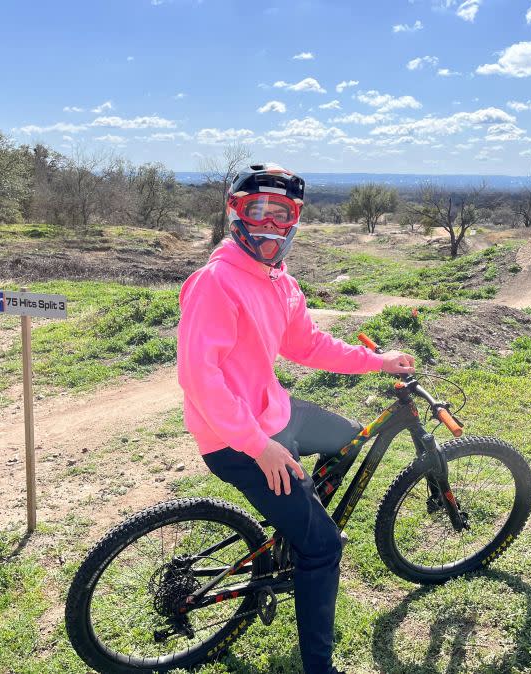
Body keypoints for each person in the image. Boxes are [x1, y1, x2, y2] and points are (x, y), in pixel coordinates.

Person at [176, 163, 415, 674]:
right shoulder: (216, 283)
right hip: (235, 439)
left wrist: (378, 359)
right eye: (256, 209)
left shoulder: (279, 281)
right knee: (325, 546)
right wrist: (259, 446)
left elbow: (307, 344)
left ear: (294, 220)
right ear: (235, 213)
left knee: (349, 443)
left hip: (272, 415)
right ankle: (318, 663)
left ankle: (292, 531)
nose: (268, 224)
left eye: (280, 213)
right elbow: (199, 378)